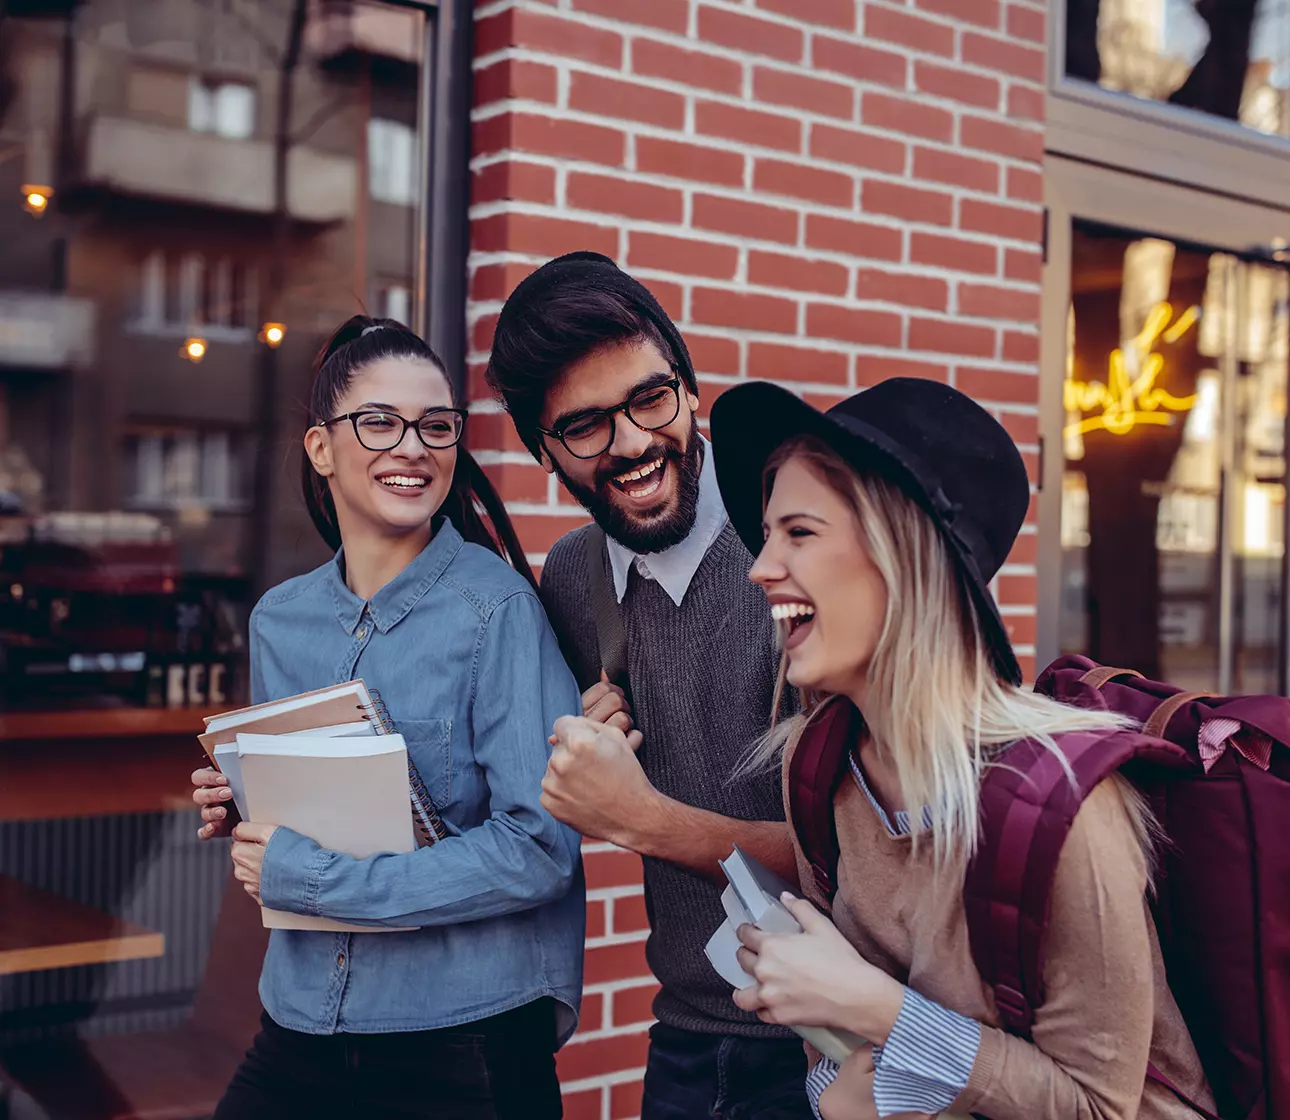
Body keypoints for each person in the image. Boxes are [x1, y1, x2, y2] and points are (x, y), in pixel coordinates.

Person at [705, 377, 1215, 1120]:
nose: (759, 565)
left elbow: (1100, 1109)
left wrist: (880, 1009)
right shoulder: (818, 768)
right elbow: (838, 1053)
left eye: (800, 533)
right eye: (768, 533)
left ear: (901, 559)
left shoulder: (1061, 808)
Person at [190, 315, 585, 1120]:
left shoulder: (496, 610)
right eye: (379, 422)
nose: (413, 446)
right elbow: (326, 814)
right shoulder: (280, 619)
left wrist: (316, 877)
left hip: (462, 1039)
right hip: (301, 1014)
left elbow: (539, 847)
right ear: (322, 449)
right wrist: (251, 803)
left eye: (436, 426)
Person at [485, 252, 813, 1119]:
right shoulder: (571, 578)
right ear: (542, 451)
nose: (632, 443)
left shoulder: (800, 552)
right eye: (586, 426)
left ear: (690, 387)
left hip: (839, 1044)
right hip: (687, 1044)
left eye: (649, 399)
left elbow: (867, 852)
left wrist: (642, 820)